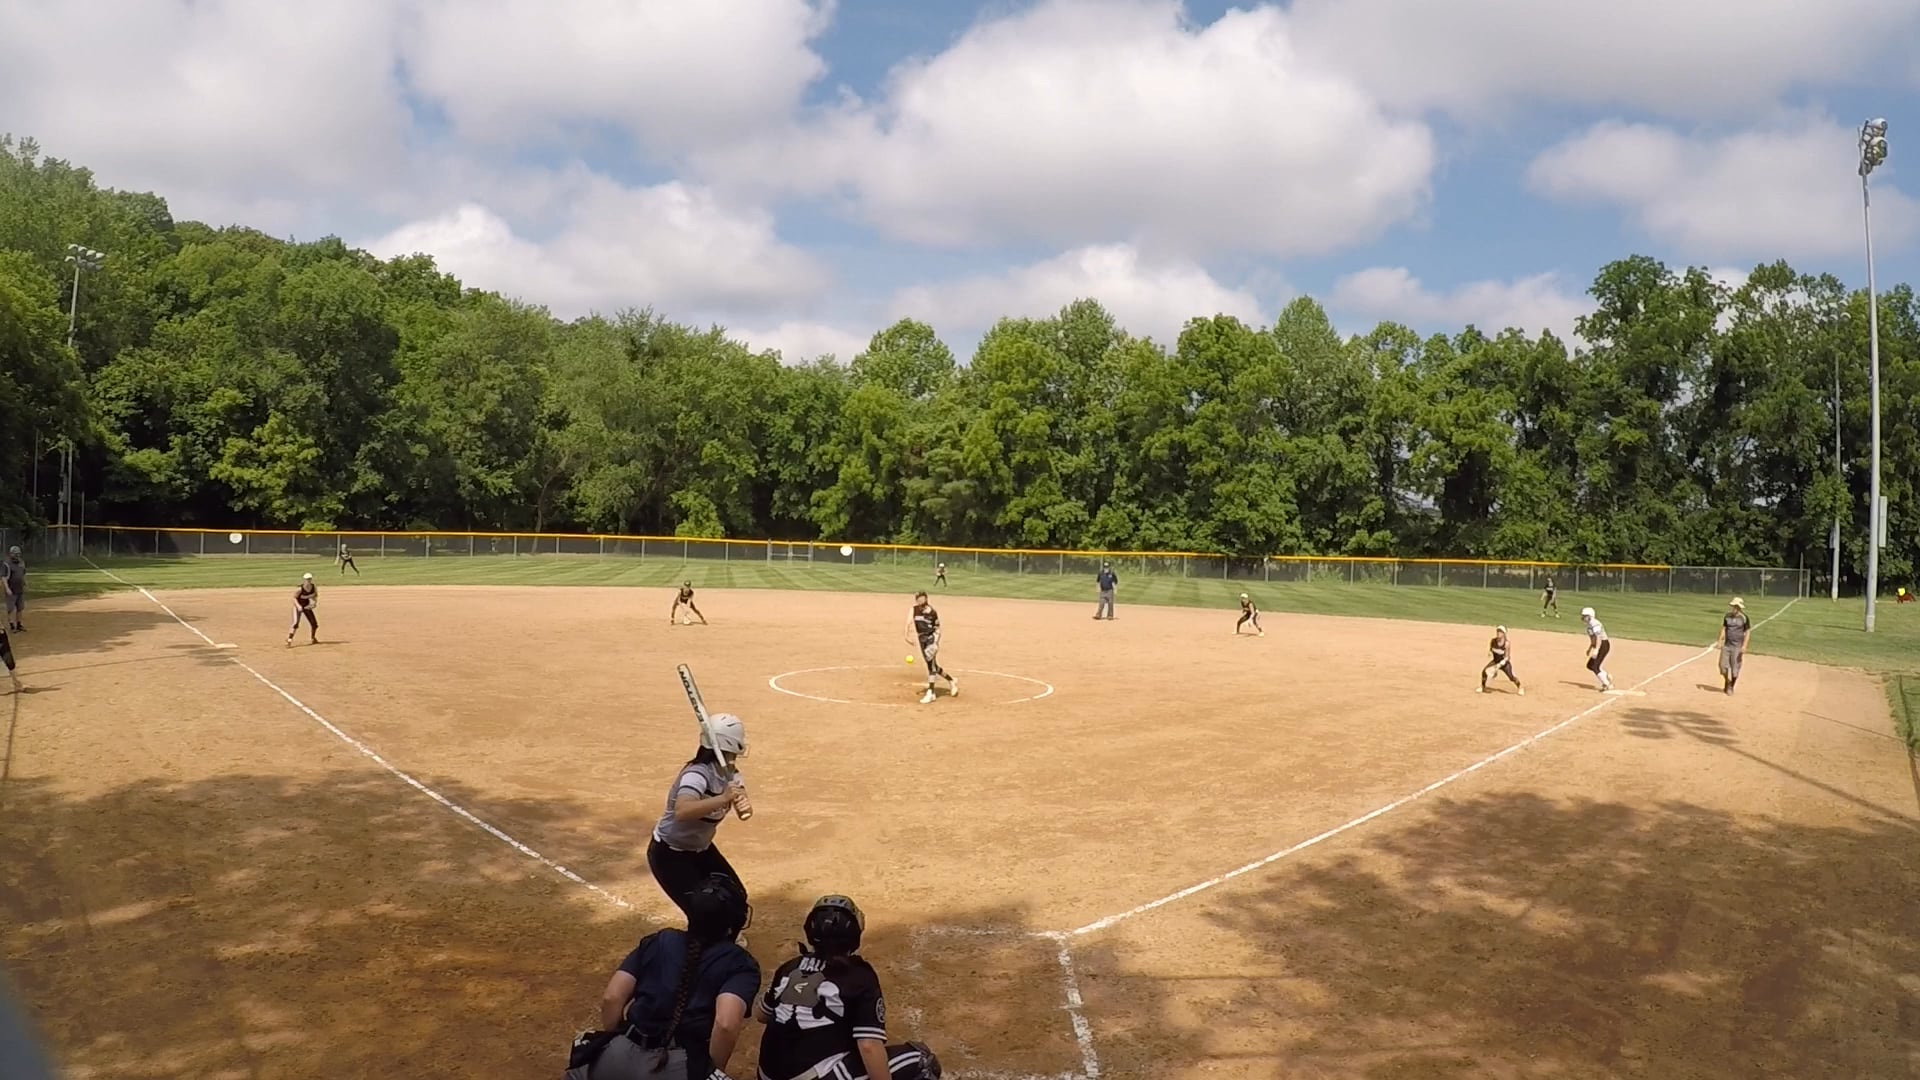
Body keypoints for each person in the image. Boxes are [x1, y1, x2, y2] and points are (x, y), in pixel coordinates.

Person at [569, 873, 759, 1080]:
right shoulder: (740, 963)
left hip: (617, 1057)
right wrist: (709, 1071)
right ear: (732, 926)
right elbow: (725, 1024)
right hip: (676, 1066)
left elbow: (612, 997)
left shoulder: (659, 940)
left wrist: (621, 1042)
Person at [755, 895, 943, 1080]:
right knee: (922, 1060)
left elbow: (761, 1015)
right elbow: (868, 1046)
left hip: (767, 1074)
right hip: (814, 1076)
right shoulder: (859, 975)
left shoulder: (790, 967)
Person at [648, 714, 750, 921]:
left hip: (701, 850)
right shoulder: (697, 774)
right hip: (671, 854)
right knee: (703, 911)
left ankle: (725, 935)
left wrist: (743, 805)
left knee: (736, 897)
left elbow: (743, 810)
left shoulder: (732, 775)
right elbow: (682, 811)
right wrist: (723, 798)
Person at [905, 592, 957, 704]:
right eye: (918, 599)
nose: (920, 601)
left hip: (930, 639)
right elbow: (908, 622)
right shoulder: (914, 610)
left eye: (922, 598)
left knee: (931, 666)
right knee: (933, 666)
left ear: (926, 599)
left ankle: (931, 692)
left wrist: (935, 643)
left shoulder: (932, 612)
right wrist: (906, 635)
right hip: (921, 640)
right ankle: (951, 681)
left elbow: (937, 629)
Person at [1716, 597, 1751, 695]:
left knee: (1735, 669)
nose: (1734, 608)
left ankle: (1731, 686)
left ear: (1739, 607)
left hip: (1737, 647)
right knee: (1722, 666)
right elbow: (1724, 629)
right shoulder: (1727, 616)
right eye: (1733, 606)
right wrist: (1720, 640)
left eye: (1736, 606)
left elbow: (1747, 632)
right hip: (1727, 645)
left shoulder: (1744, 618)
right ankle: (1727, 681)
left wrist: (1744, 646)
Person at [1478, 625, 1523, 695]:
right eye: (1498, 631)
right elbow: (1491, 649)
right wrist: (1490, 652)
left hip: (1504, 663)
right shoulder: (1493, 641)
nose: (1498, 633)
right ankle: (1483, 687)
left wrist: (1502, 663)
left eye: (1501, 632)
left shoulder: (1507, 643)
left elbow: (1507, 657)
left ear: (1504, 634)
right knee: (1484, 672)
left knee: (1511, 677)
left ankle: (1520, 687)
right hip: (1495, 661)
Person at [1580, 606, 1613, 691]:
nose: (1583, 617)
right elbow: (1593, 638)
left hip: (1603, 645)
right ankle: (1606, 676)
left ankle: (1606, 684)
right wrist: (1590, 648)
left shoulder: (1595, 624)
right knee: (1590, 665)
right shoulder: (1589, 626)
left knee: (1595, 666)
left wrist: (1596, 649)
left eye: (1585, 616)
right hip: (1599, 645)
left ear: (1590, 616)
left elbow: (1598, 637)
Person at [286, 572, 319, 646]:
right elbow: (294, 598)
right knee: (295, 623)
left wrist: (314, 603)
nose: (308, 580)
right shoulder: (300, 589)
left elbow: (315, 596)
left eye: (309, 579)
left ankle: (313, 638)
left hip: (306, 606)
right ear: (304, 580)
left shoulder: (313, 587)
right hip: (298, 606)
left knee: (314, 624)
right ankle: (289, 640)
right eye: (307, 579)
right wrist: (298, 606)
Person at [4, 546, 25, 632]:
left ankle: (19, 625)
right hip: (11, 589)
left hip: (20, 589)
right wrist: (7, 588)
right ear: (11, 554)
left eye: (18, 554)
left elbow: (23, 573)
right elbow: (4, 578)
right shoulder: (7, 564)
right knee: (11, 608)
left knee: (20, 608)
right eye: (15, 554)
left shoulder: (21, 563)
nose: (17, 555)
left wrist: (24, 582)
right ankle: (12, 625)